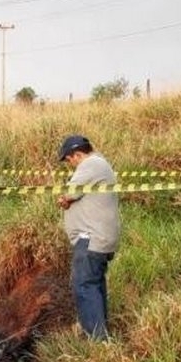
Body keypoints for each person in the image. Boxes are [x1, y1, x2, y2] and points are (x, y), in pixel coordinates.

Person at [56, 135, 120, 341]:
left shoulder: (90, 164)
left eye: (69, 160)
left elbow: (69, 193)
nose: (69, 165)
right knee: (95, 284)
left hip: (90, 237)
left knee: (84, 285)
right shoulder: (100, 164)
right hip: (99, 237)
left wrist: (65, 198)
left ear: (77, 154)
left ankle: (97, 340)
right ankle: (100, 332)